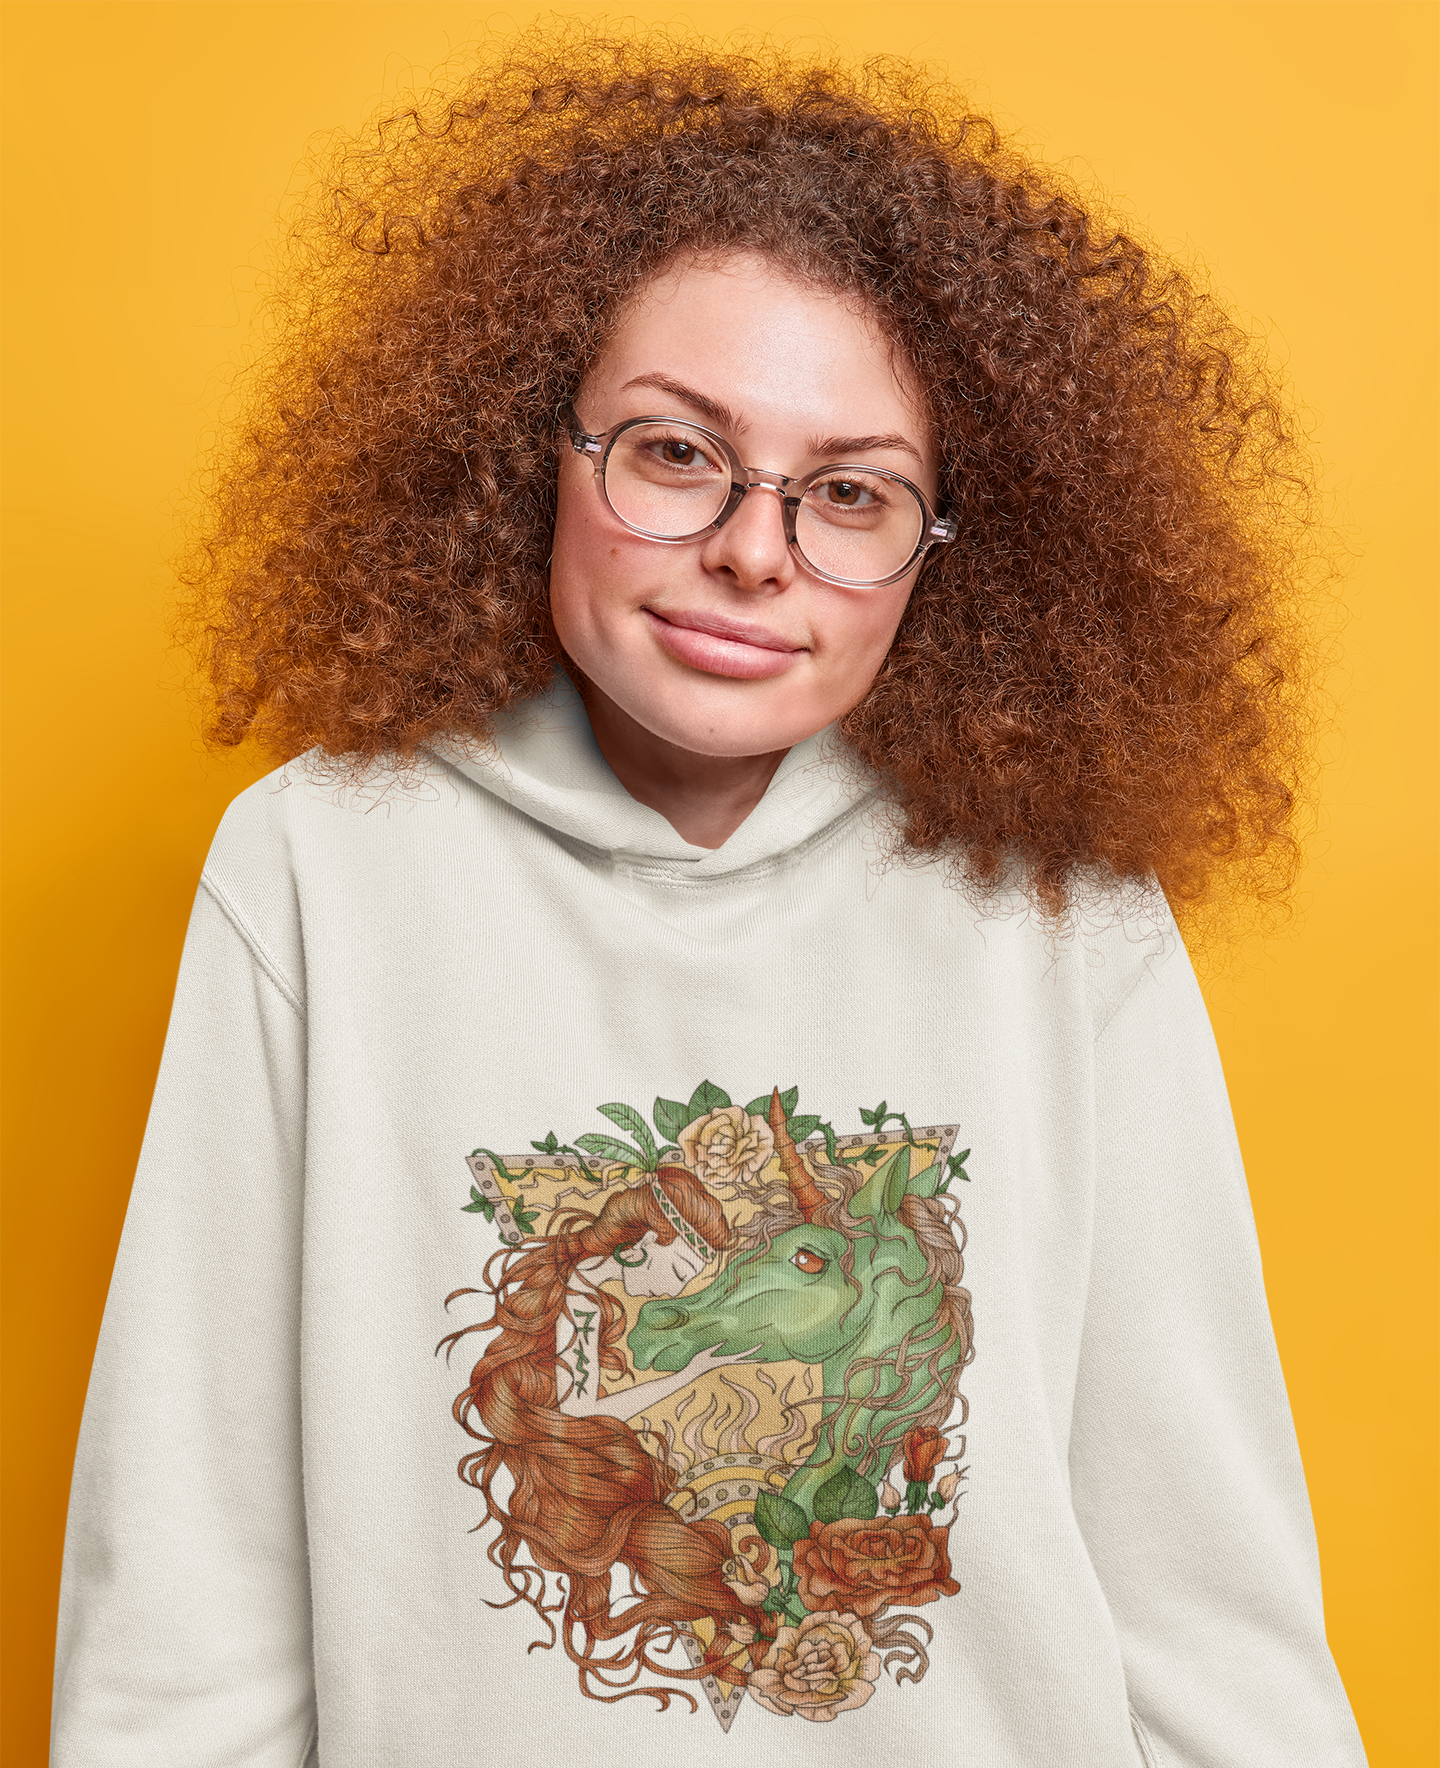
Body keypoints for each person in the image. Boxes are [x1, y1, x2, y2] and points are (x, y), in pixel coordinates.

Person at [50, 24, 1367, 1766]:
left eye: (852, 493)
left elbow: (1211, 1605)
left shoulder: (1069, 919)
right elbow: (190, 1595)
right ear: (536, 450)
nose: (759, 549)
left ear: (957, 547)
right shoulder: (321, 866)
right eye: (677, 454)